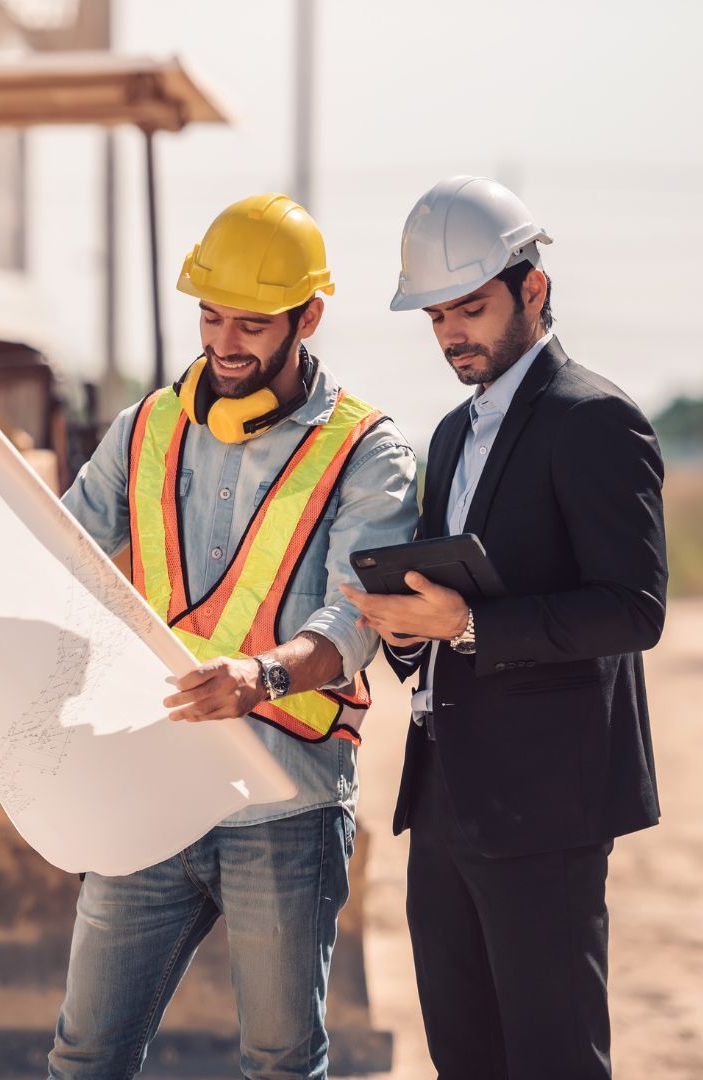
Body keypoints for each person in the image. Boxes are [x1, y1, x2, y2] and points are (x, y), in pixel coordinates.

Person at [48, 193, 418, 1079]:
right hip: (151, 788)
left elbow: (355, 619)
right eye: (211, 316)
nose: (224, 342)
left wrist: (261, 675)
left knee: (281, 1063)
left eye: (252, 322)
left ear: (309, 317)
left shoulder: (366, 452)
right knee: (85, 1057)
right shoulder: (143, 430)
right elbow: (57, 555)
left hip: (284, 806)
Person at [340, 175, 667, 1079]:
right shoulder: (448, 435)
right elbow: (447, 614)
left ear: (534, 290)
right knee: (465, 1060)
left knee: (554, 1060)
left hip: (548, 807)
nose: (452, 333)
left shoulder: (595, 420)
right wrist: (409, 630)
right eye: (437, 315)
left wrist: (474, 625)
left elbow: (635, 608)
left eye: (470, 308)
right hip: (445, 801)